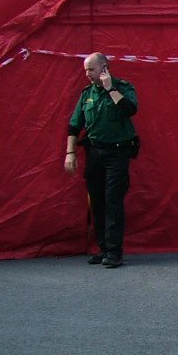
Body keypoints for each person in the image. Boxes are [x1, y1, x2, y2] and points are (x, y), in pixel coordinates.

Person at [65, 52, 139, 268]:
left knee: (113, 201)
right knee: (97, 202)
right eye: (86, 70)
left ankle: (115, 252)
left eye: (91, 69)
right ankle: (104, 249)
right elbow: (74, 125)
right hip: (94, 153)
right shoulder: (87, 93)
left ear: (104, 68)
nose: (87, 74)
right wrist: (70, 153)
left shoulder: (123, 87)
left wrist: (110, 89)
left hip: (117, 153)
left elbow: (130, 110)